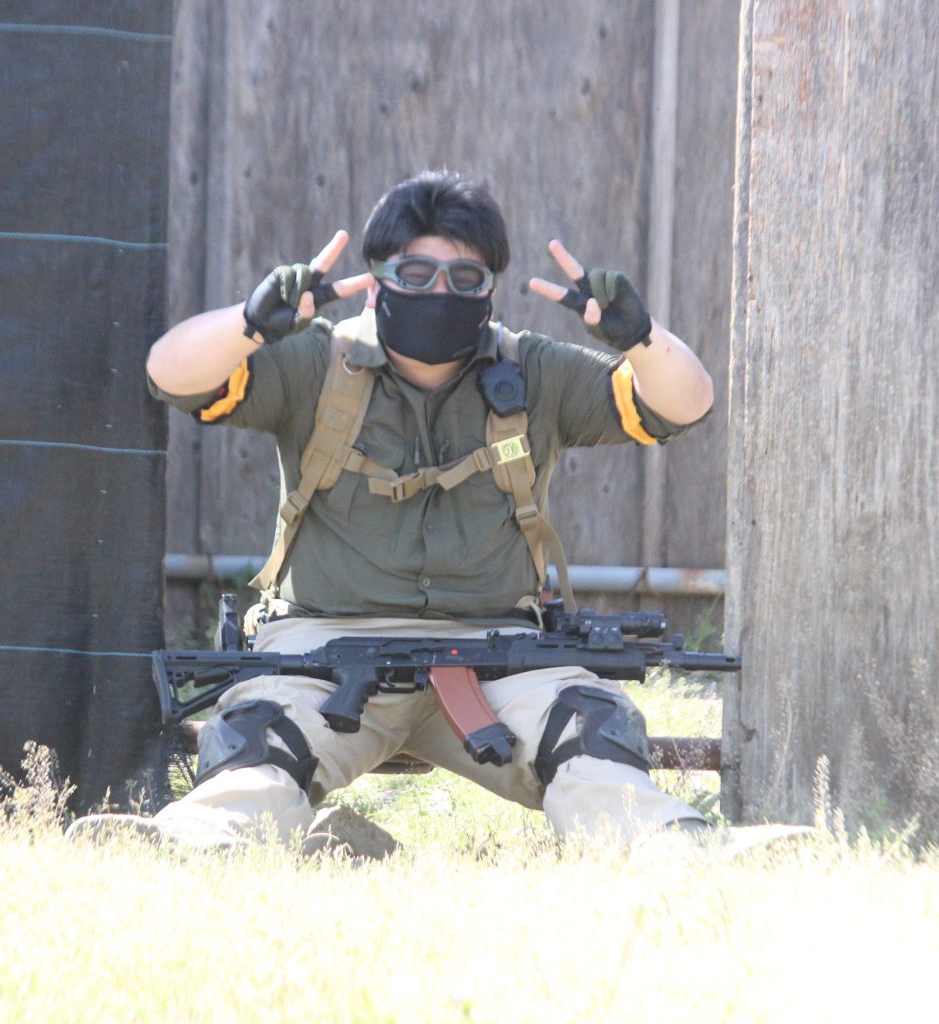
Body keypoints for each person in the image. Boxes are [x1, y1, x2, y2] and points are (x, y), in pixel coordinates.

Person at [95, 169, 717, 849]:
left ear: (490, 290)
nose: (439, 293)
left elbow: (682, 407)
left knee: (590, 731)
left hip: (501, 657)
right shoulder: (317, 363)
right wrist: (249, 325)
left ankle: (673, 850)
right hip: (322, 651)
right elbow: (171, 375)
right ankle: (201, 844)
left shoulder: (534, 372)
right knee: (262, 740)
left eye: (465, 279)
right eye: (415, 274)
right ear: (377, 282)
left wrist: (641, 339)